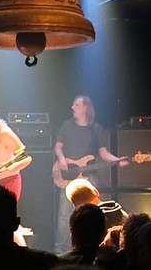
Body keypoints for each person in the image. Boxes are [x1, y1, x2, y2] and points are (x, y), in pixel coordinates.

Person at [53, 96, 128, 252]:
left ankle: (94, 246)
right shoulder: (67, 126)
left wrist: (117, 160)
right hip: (69, 175)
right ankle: (61, 251)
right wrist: (61, 159)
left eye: (76, 104)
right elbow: (58, 147)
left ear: (85, 108)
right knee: (64, 216)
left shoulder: (96, 129)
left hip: (88, 175)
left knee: (94, 212)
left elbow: (103, 153)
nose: (72, 107)